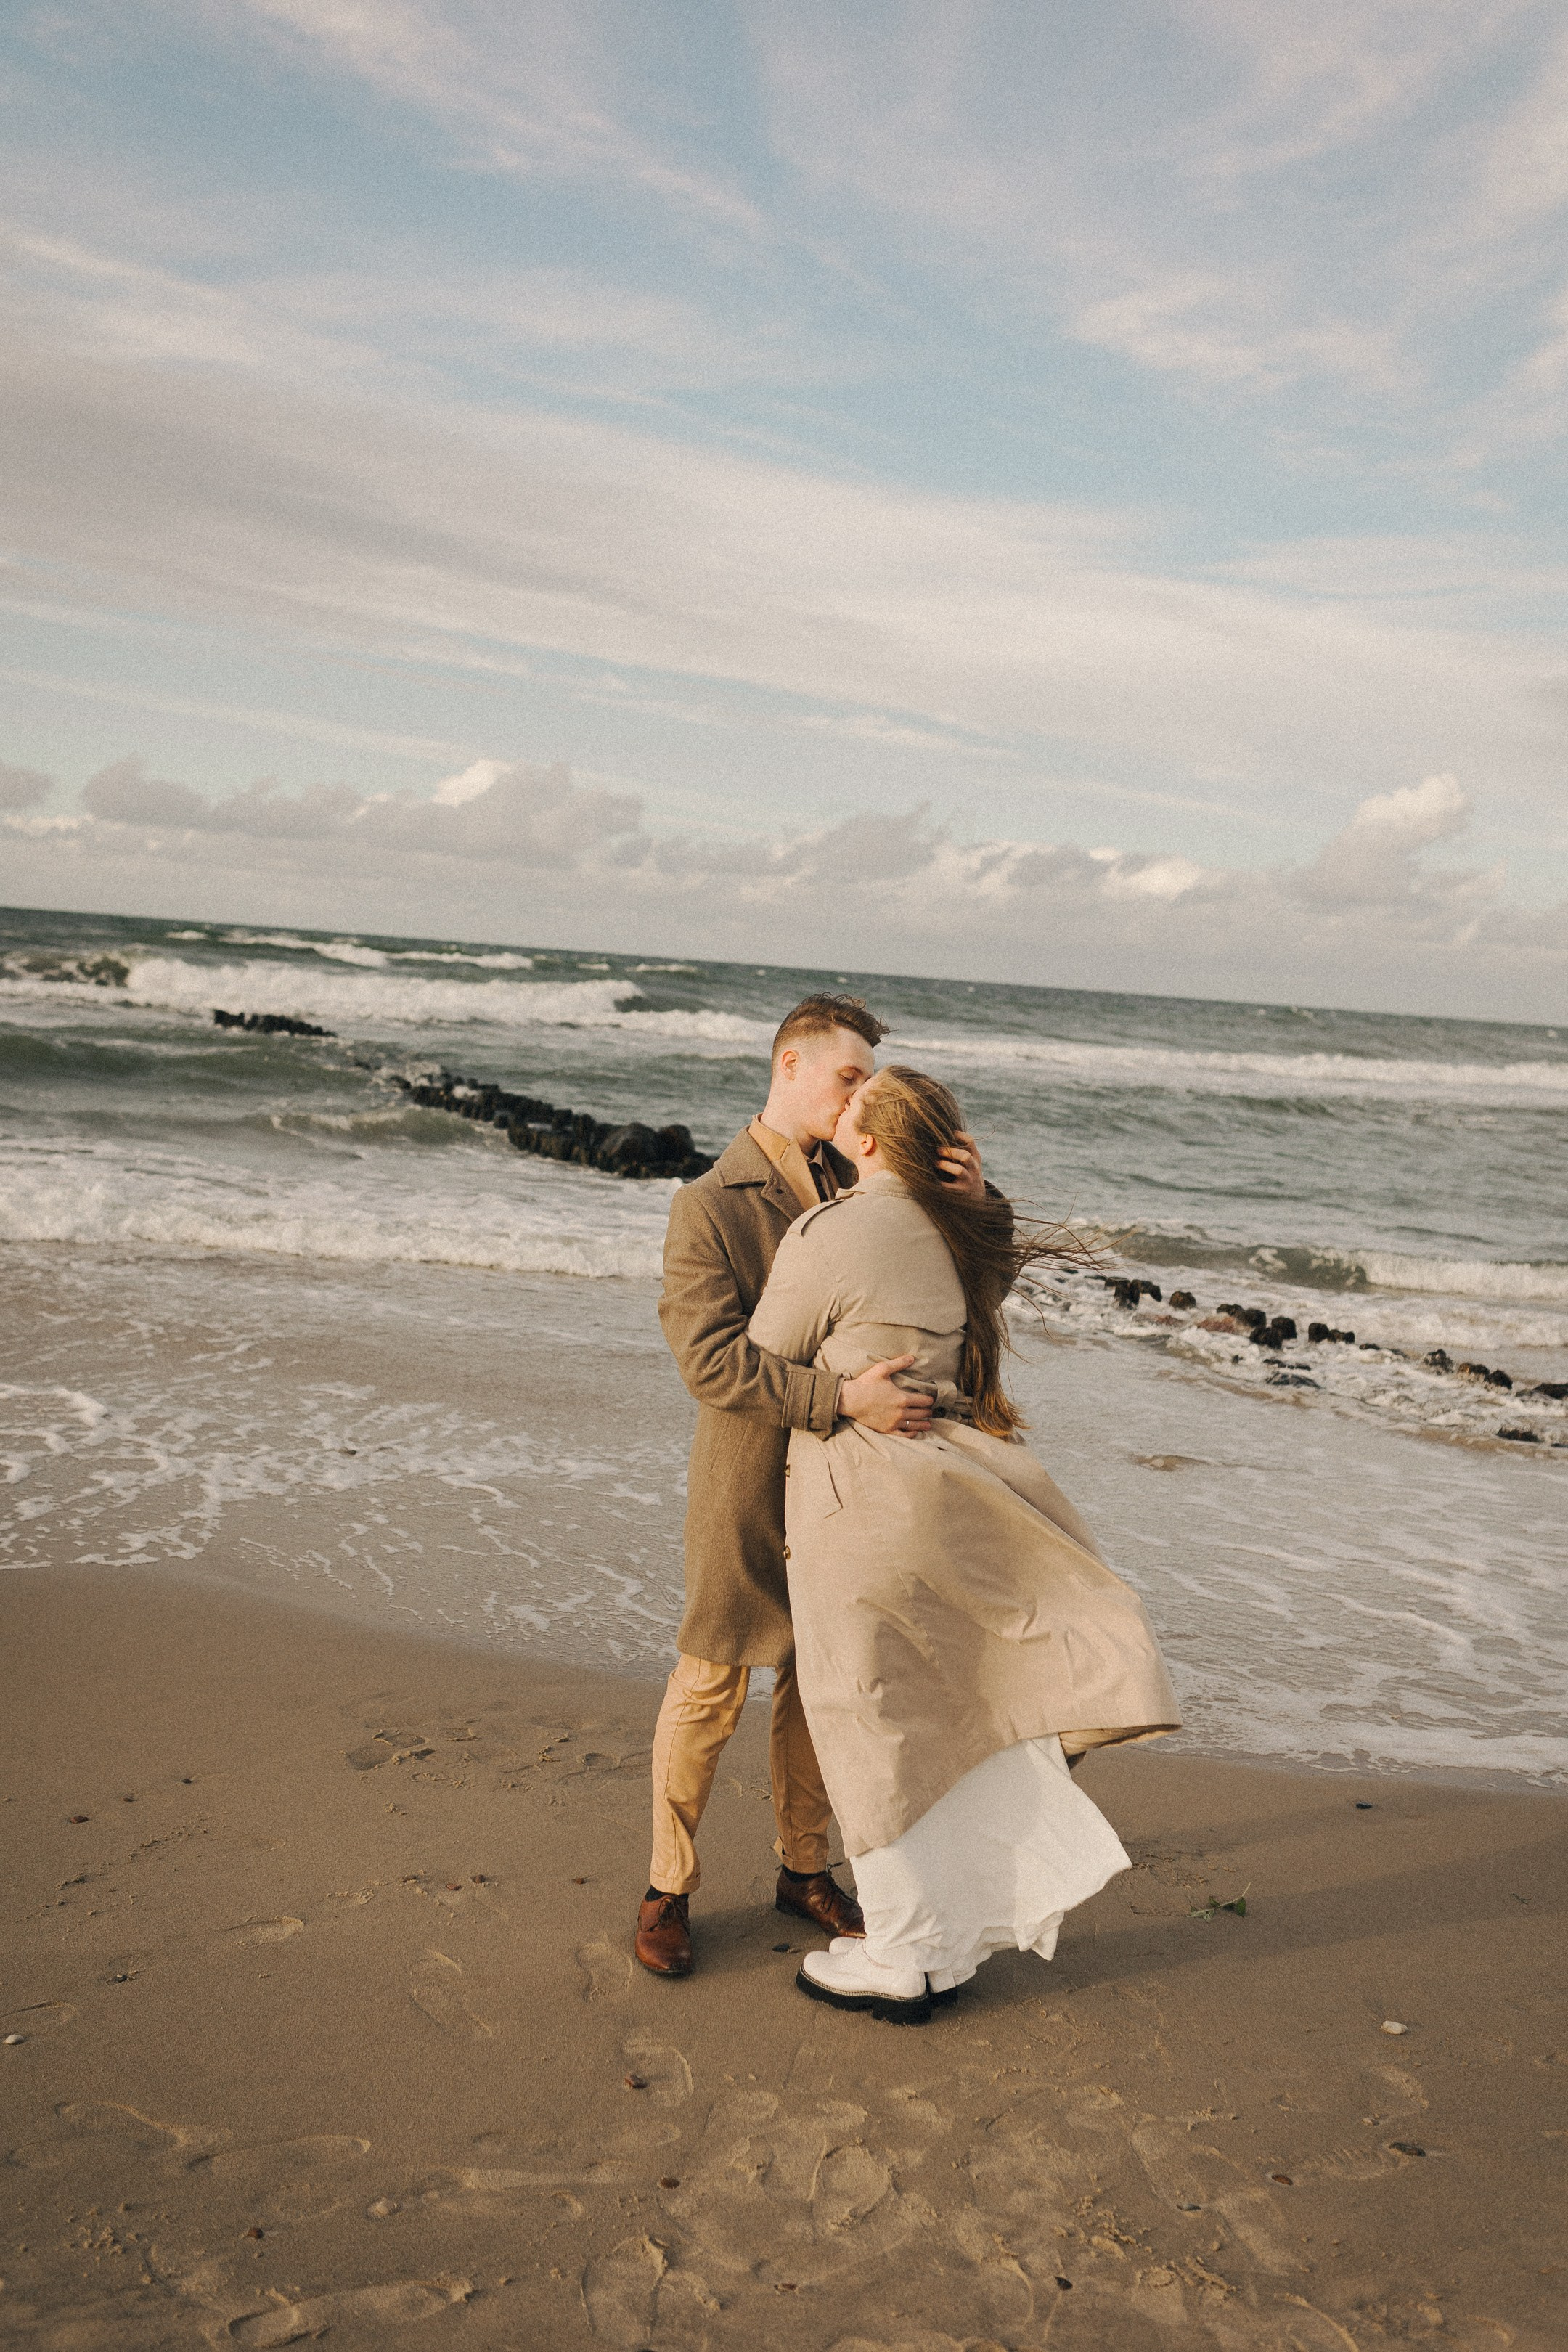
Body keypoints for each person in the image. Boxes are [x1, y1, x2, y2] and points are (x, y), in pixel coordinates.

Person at [746, 1065, 1181, 2022]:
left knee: (868, 1722)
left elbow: (759, 1360)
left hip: (854, 1498)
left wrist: (837, 1391)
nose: (840, 1116)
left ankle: (899, 1958)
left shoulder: (831, 1232)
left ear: (864, 1144)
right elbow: (991, 1284)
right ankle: (941, 1943)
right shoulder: (959, 1235)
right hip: (946, 1489)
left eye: (853, 1110)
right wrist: (981, 1199)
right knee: (942, 1717)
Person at [637, 996, 989, 1977]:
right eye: (848, 1078)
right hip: (747, 1483)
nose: (859, 1098)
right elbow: (711, 1365)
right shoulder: (710, 1202)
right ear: (790, 1065)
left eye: (868, 1085)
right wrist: (843, 1399)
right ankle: (668, 1887)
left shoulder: (876, 1182)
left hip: (845, 1493)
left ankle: (803, 1869)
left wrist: (970, 1195)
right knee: (710, 1683)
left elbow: (962, 1294)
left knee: (817, 1689)